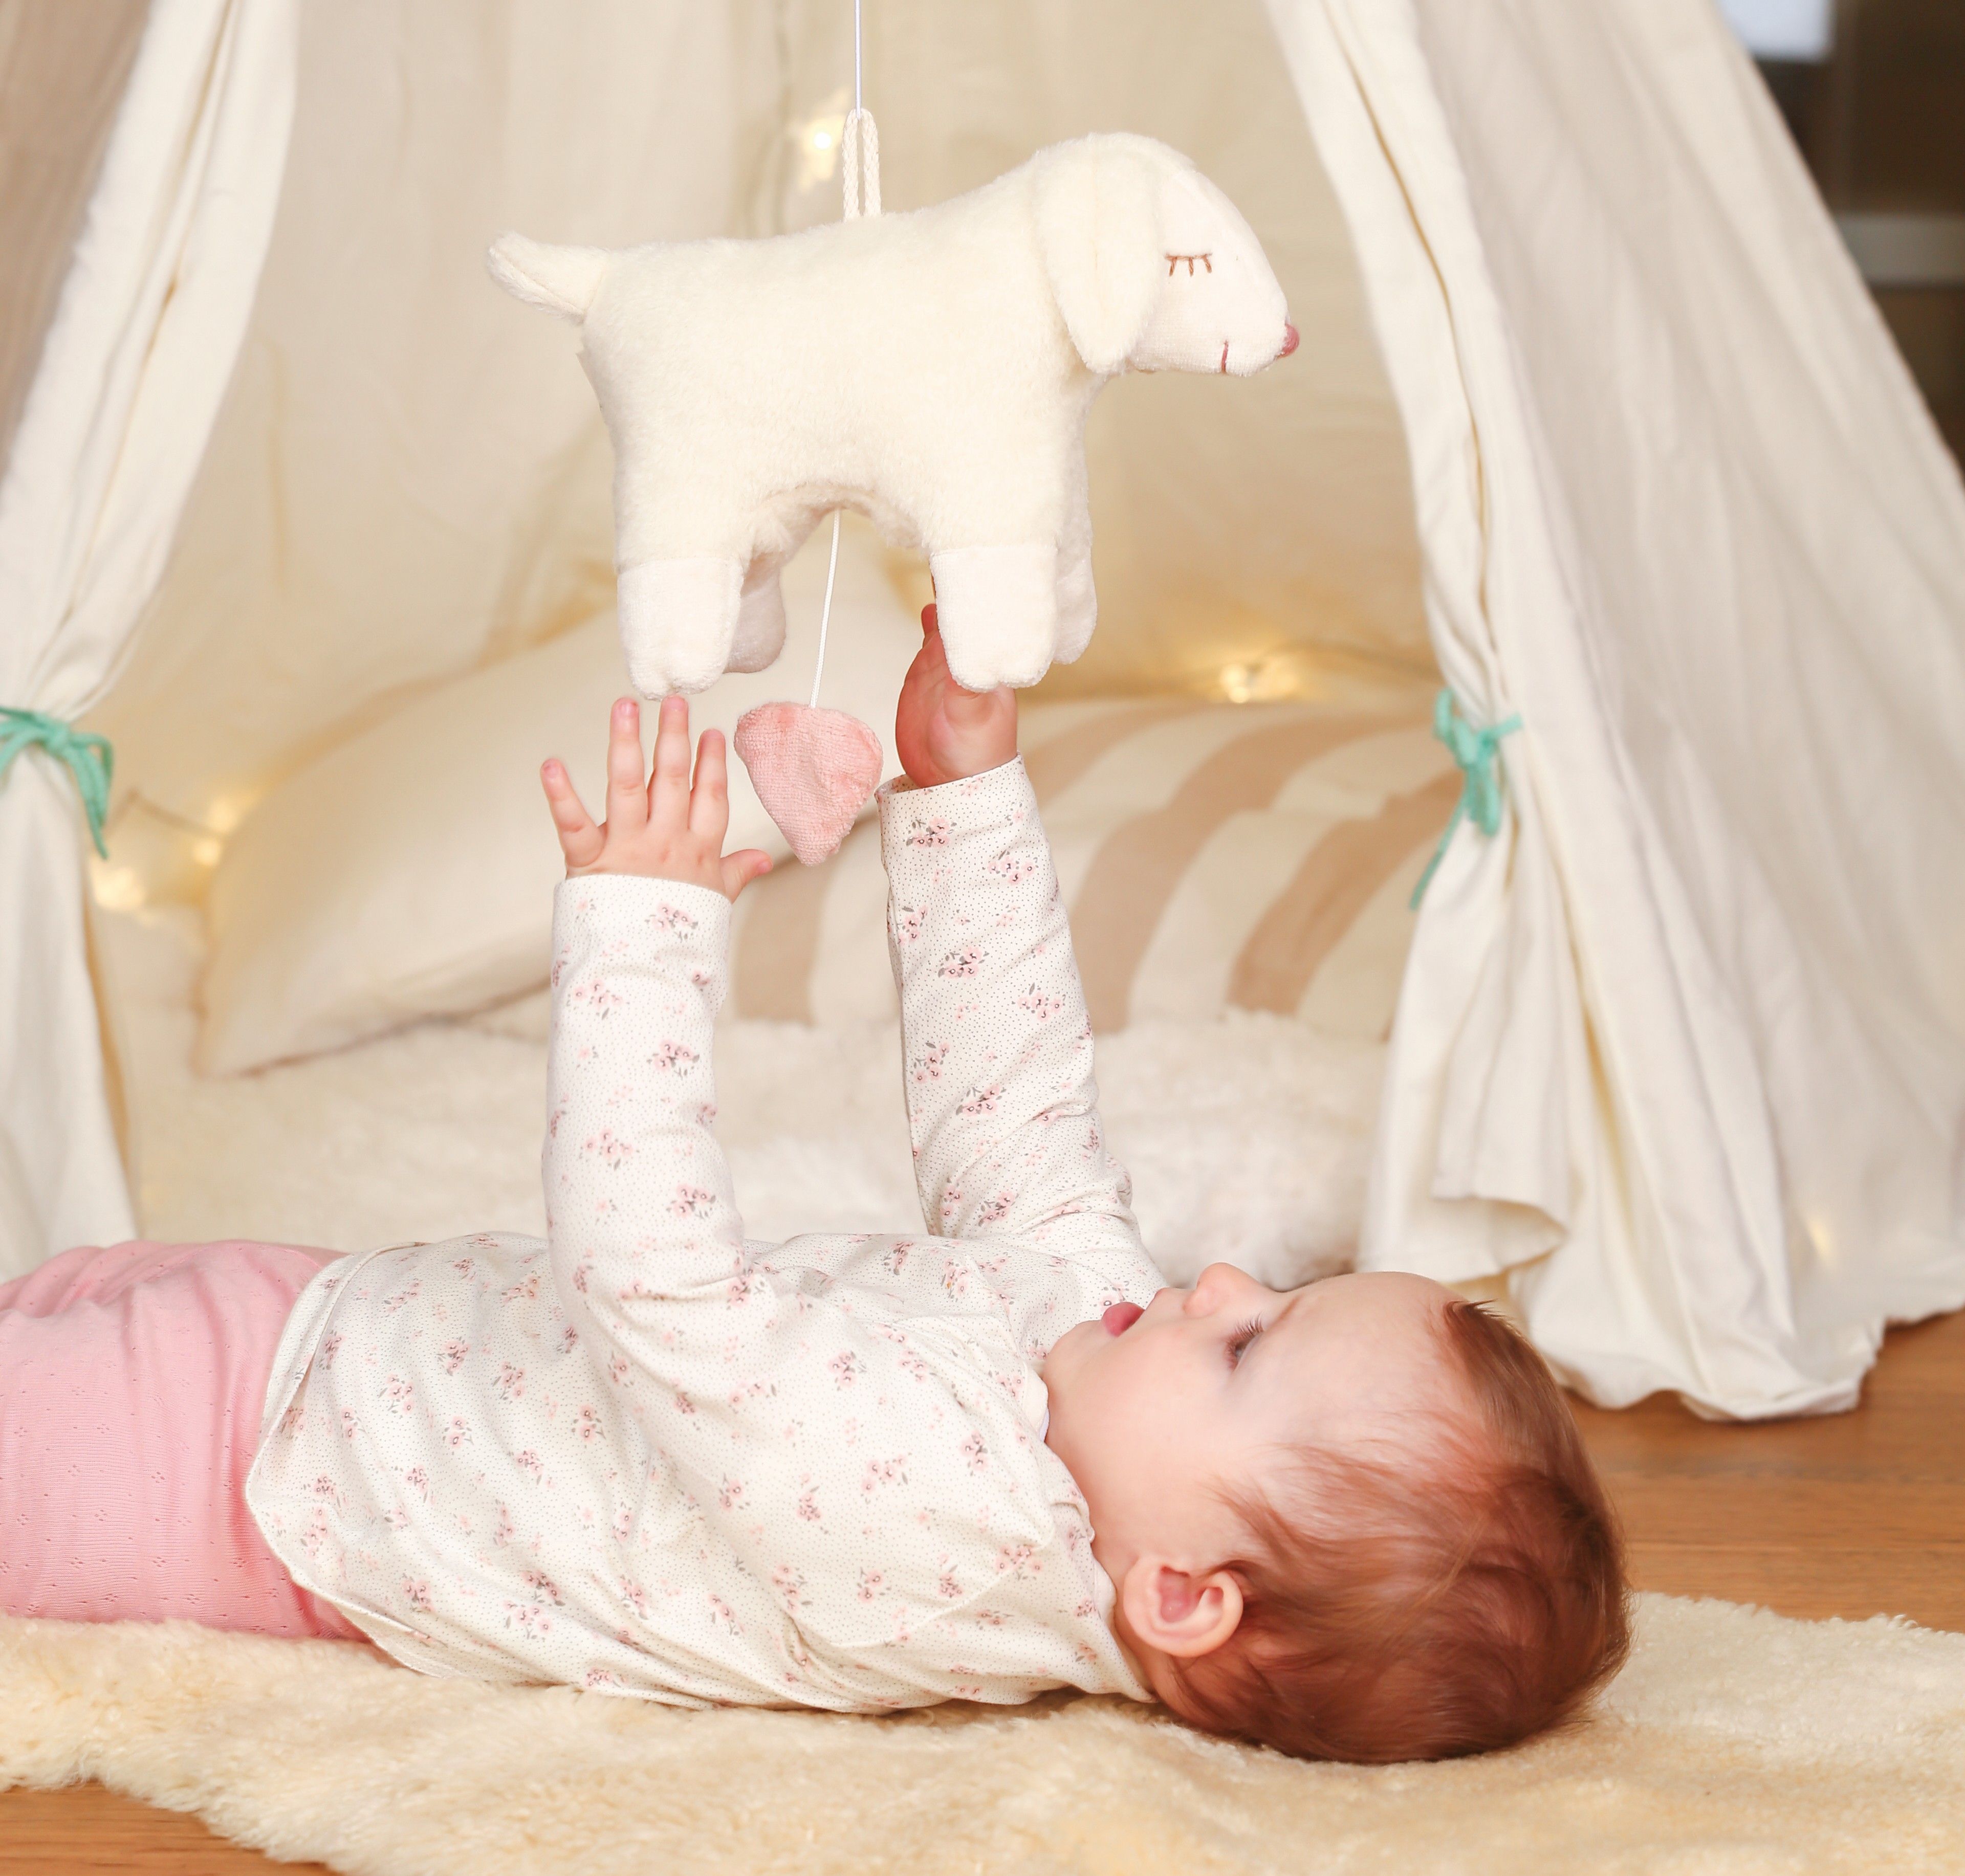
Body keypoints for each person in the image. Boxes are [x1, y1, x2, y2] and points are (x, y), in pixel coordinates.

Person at [0, 607, 1629, 1762]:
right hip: (355, 1318)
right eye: (1276, 1291)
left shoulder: (929, 1523)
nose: (1220, 1282)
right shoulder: (1101, 1378)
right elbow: (1019, 1123)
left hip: (276, 1482)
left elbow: (656, 1281)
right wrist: (964, 794)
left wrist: (643, 926)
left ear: (1183, 1593)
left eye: (1249, 1347)